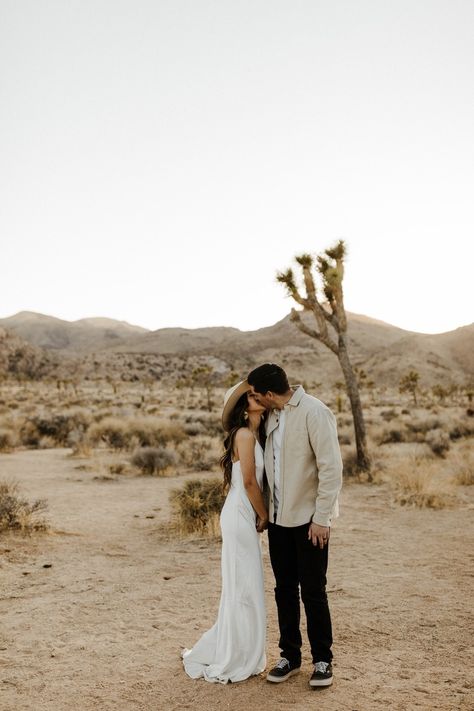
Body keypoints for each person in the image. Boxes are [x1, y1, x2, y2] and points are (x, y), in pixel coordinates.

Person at [247, 363, 343, 688]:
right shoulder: (271, 416)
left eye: (258, 395)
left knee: (314, 592)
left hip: (309, 522)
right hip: (278, 521)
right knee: (284, 590)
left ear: (271, 394)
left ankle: (322, 661)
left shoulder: (315, 413)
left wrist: (322, 518)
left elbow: (332, 469)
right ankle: (290, 656)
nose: (255, 400)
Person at [181, 380, 268, 684]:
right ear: (245, 409)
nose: (257, 397)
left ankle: (245, 650)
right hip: (240, 513)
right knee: (242, 583)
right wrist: (264, 514)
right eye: (252, 396)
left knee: (247, 583)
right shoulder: (244, 435)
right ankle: (237, 654)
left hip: (243, 512)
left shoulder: (259, 434)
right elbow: (248, 482)